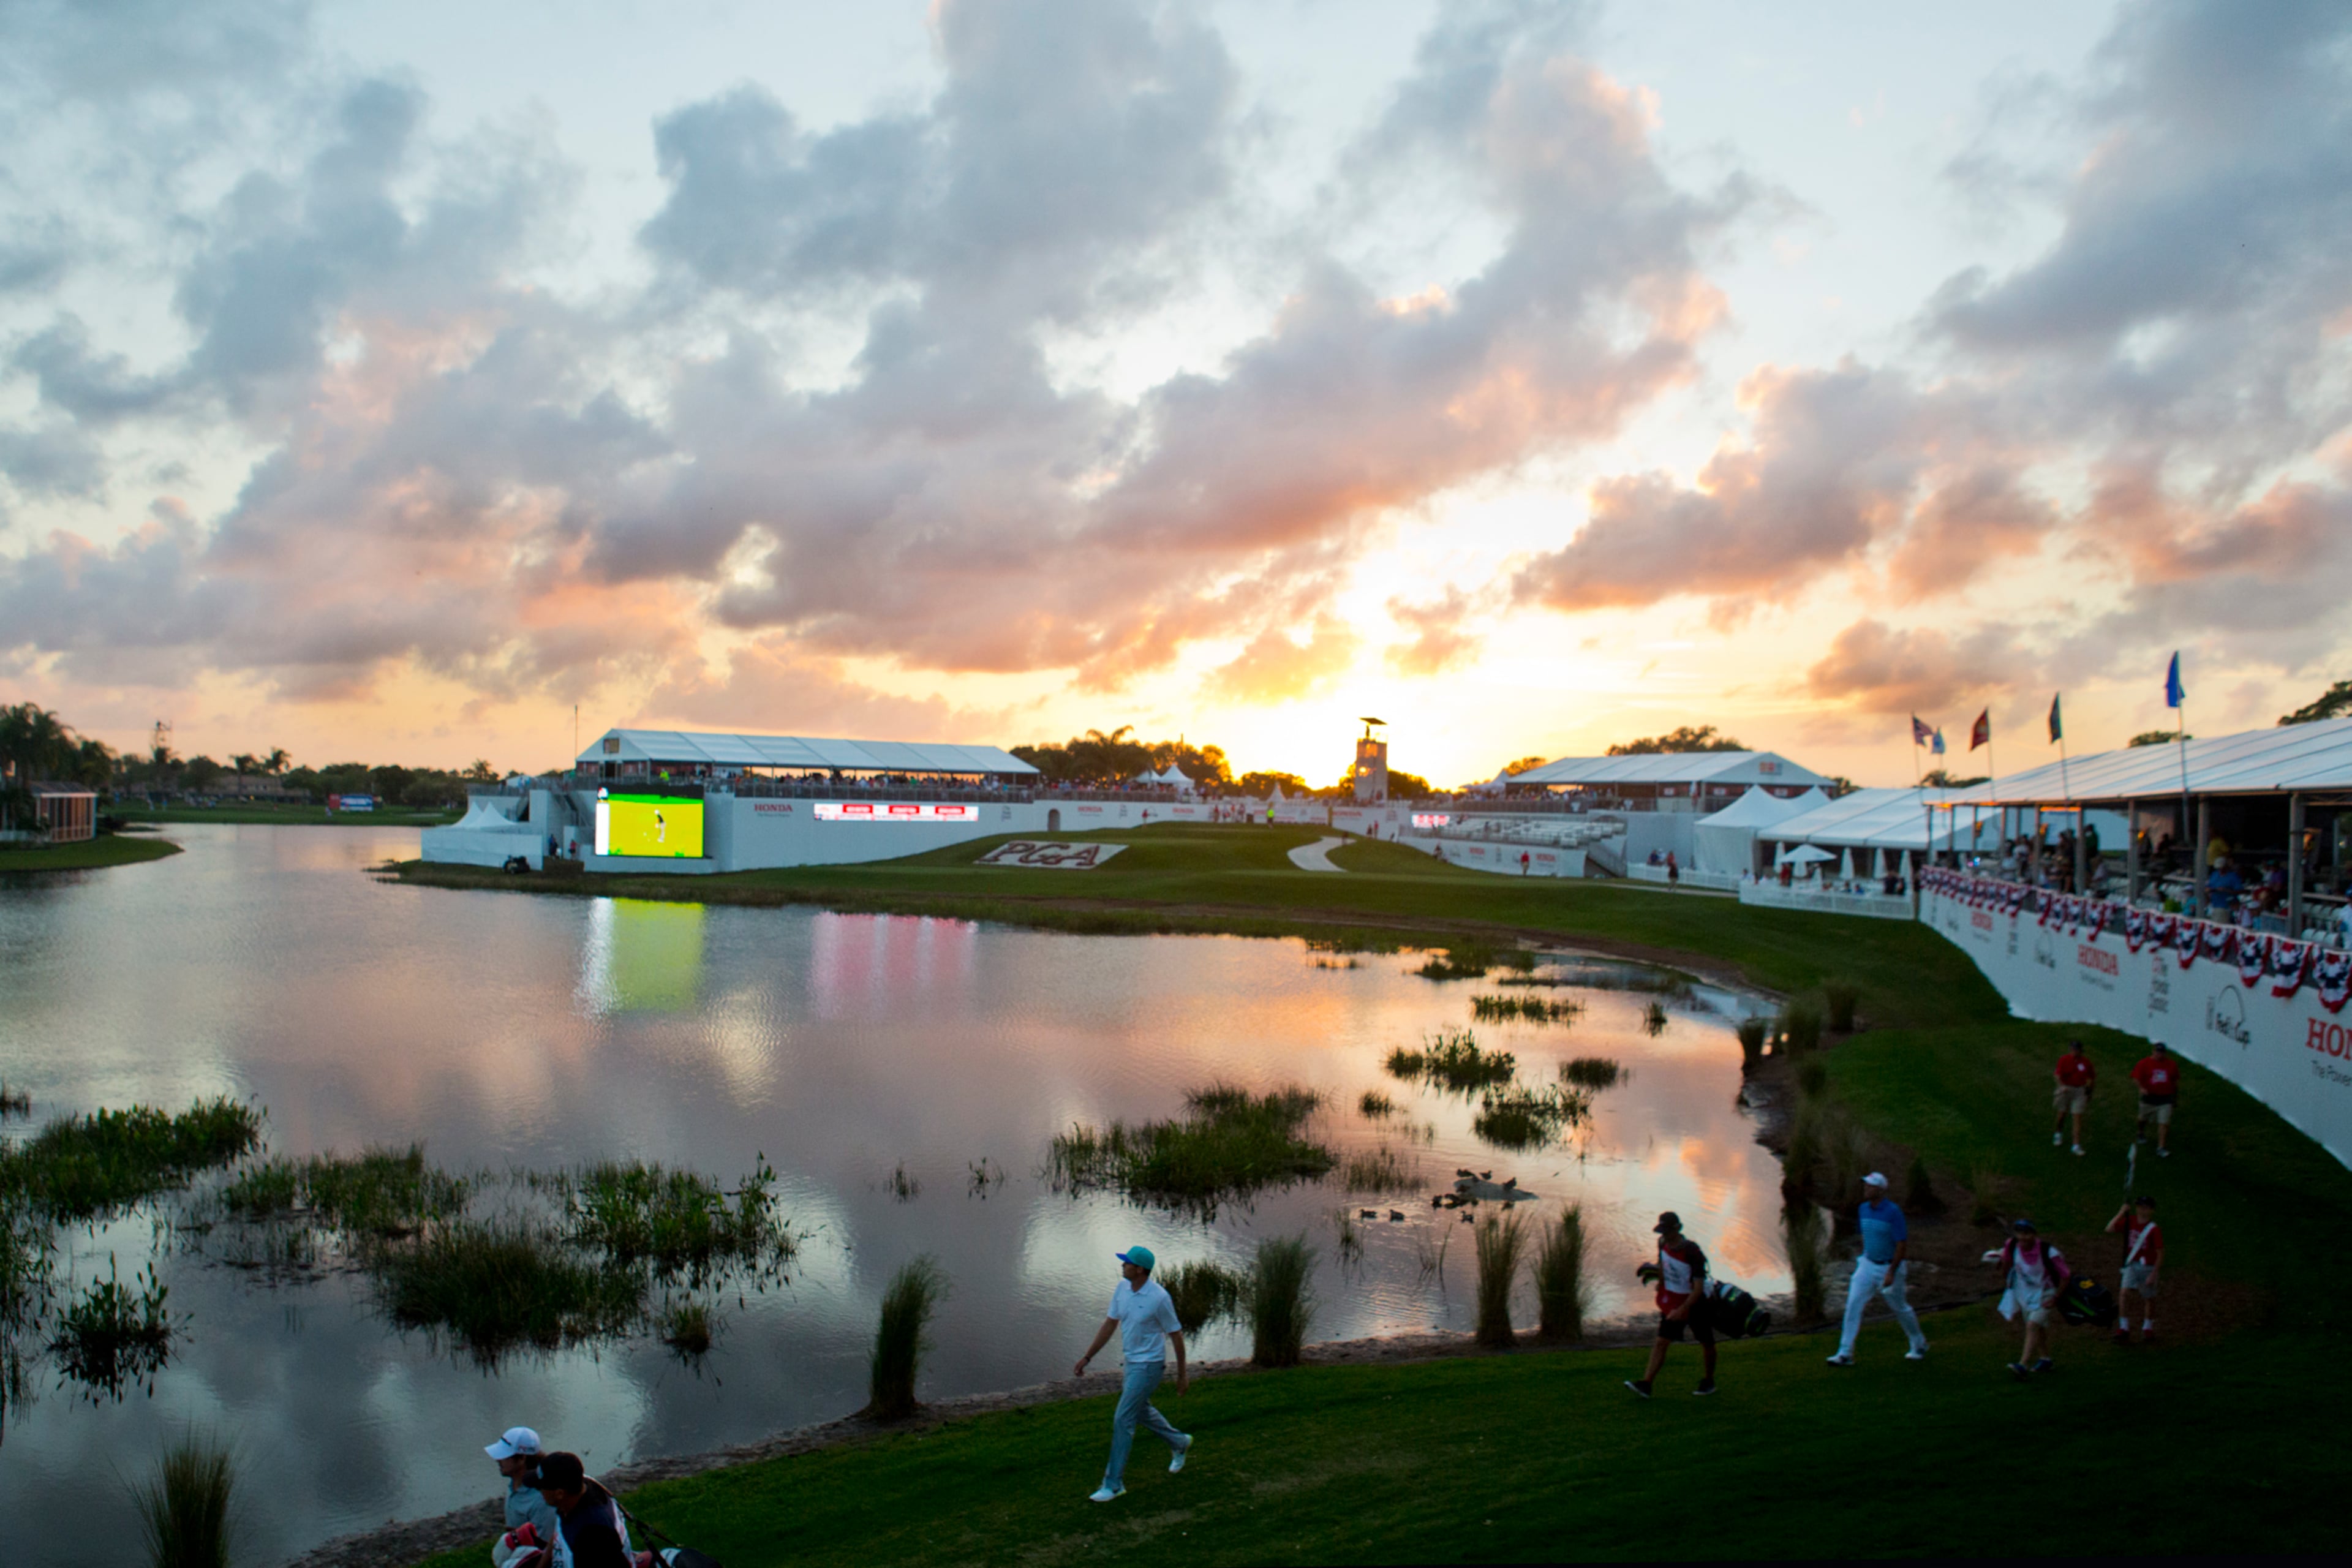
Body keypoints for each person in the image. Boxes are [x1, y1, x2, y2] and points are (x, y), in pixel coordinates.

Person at [1072, 1245, 1191, 1502]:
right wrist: (1087, 1356)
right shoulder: (1122, 1290)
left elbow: (1176, 1336)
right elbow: (1110, 1324)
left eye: (1127, 1264)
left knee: (1122, 1419)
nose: (1122, 1266)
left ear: (1139, 1270)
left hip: (1150, 1366)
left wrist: (1182, 1375)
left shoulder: (1159, 1298)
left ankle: (1113, 1485)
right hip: (1132, 1363)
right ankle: (1179, 1442)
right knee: (1139, 1411)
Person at [1825, 1173, 1929, 1365]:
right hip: (1867, 1264)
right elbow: (1866, 1235)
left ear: (1881, 1190)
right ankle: (1845, 1353)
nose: (1866, 1189)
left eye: (1871, 1186)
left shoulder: (1893, 1212)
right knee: (1853, 1305)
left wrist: (1891, 1272)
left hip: (1889, 1267)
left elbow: (1901, 1244)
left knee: (1900, 1308)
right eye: (1866, 1185)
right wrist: (1865, 1257)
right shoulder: (1863, 1209)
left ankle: (1919, 1343)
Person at [1625, 1212, 1717, 1398]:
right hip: (1673, 1302)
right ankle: (1646, 1384)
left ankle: (1708, 1381)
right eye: (1662, 1231)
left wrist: (1683, 1310)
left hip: (1695, 1304)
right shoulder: (1662, 1243)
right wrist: (1661, 1285)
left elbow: (1698, 1288)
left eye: (1668, 1231)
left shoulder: (1693, 1252)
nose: (1665, 1235)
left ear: (1678, 1229)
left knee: (1707, 1343)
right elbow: (1663, 1265)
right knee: (1661, 1342)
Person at [1984, 1218, 2069, 1378]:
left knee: (2032, 1325)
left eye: (2027, 1234)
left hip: (2046, 1293)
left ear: (2034, 1235)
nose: (2023, 1238)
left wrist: (2056, 1298)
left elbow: (2066, 1276)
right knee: (2038, 1327)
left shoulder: (2048, 1252)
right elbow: (2007, 1264)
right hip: (2025, 1294)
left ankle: (2023, 1364)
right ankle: (2045, 1360)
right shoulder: (2012, 1245)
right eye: (2020, 1234)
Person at [529, 1452, 635, 1568]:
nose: (539, 1492)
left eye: (540, 1488)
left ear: (559, 1494)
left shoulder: (593, 1536)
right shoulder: (576, 1494)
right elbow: (558, 1533)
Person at [485, 1426, 561, 1568]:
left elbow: (545, 1548)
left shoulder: (542, 1500)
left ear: (522, 1458)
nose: (498, 1460)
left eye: (504, 1456)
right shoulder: (514, 1484)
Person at [2106, 1196, 2165, 1344]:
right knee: (2124, 1293)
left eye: (2145, 1207)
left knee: (2149, 1299)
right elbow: (2110, 1229)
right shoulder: (2130, 1221)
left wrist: (2154, 1273)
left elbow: (2160, 1254)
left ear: (2151, 1210)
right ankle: (2124, 1328)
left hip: (2147, 1267)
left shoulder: (2154, 1230)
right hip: (2132, 1265)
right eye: (2140, 1206)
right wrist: (2121, 1212)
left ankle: (2147, 1328)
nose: (2142, 1210)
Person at [2131, 1041, 2181, 1157]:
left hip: (2165, 1099)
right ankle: (2141, 1132)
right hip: (2149, 1098)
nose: (2160, 1055)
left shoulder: (2171, 1065)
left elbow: (2175, 1082)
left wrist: (2175, 1098)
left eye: (2162, 1052)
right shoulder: (2144, 1063)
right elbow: (2136, 1077)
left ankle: (2161, 1147)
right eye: (2158, 1052)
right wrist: (2141, 1088)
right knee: (2142, 1119)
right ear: (2153, 1052)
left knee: (2164, 1123)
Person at [2051, 1040, 2095, 1156]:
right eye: (2072, 1049)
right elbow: (2057, 1075)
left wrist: (2089, 1092)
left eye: (2076, 1050)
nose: (2074, 1052)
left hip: (2080, 1090)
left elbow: (2091, 1078)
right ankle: (2058, 1133)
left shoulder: (2086, 1063)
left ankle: (2076, 1145)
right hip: (2066, 1089)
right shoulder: (2064, 1060)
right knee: (2062, 1114)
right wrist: (2062, 1087)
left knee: (2077, 1117)